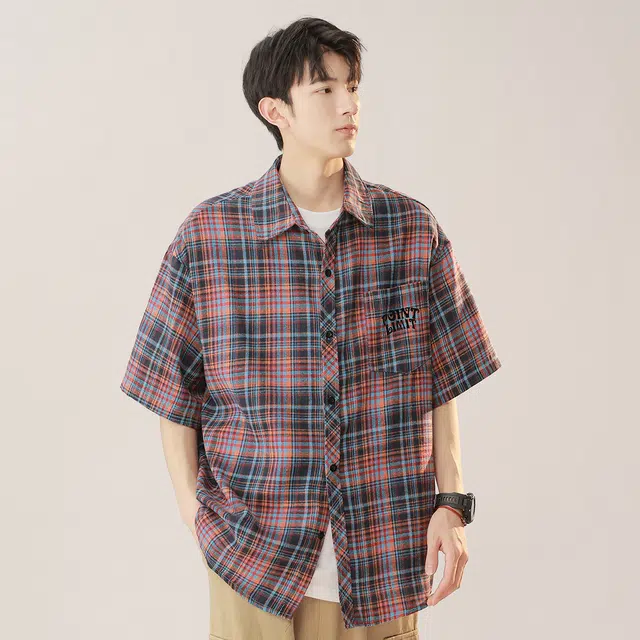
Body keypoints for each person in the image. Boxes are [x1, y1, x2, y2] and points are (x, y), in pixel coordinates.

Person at [120, 16, 502, 640]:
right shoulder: (209, 239)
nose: (349, 104)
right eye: (325, 89)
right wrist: (195, 515)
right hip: (253, 563)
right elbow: (171, 392)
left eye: (352, 86)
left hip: (383, 557)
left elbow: (442, 378)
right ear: (276, 110)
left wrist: (452, 504)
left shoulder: (411, 232)